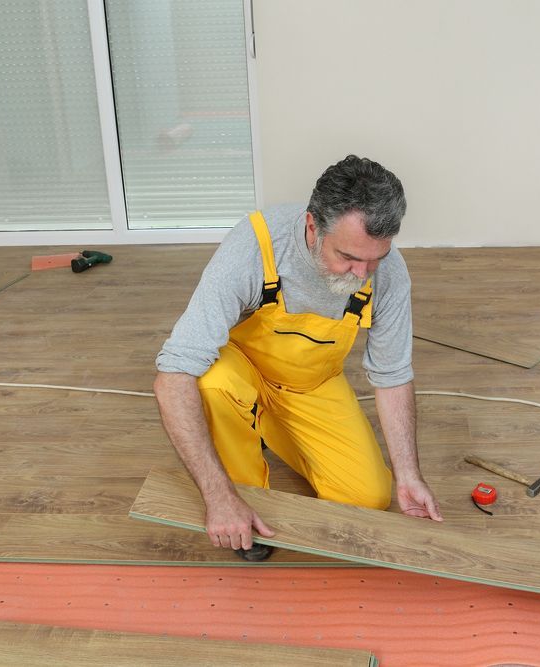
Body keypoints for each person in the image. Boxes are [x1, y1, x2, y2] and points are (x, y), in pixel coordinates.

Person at [153, 155, 442, 561]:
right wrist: (216, 496)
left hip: (310, 384)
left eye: (374, 258)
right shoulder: (256, 247)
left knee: (370, 497)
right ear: (312, 226)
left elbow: (392, 375)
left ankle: (266, 424)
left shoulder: (387, 271)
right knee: (209, 381)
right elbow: (173, 374)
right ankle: (242, 490)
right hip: (242, 372)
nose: (362, 273)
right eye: (348, 257)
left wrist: (409, 476)